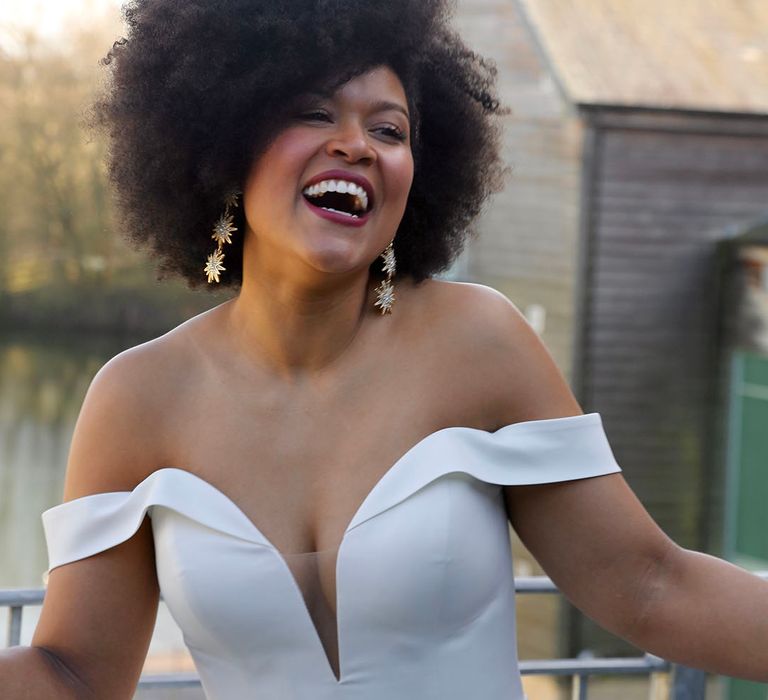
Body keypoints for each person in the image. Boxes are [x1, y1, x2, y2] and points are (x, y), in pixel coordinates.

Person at [2, 0, 767, 698]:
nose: (356, 145)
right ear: (226, 144)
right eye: (312, 112)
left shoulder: (480, 343)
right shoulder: (136, 399)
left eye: (389, 128)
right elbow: (73, 672)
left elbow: (651, 587)